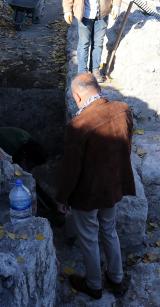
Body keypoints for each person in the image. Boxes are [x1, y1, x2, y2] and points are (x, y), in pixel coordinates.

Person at [55, 73, 135, 300]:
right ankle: (116, 280)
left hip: (87, 194)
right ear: (97, 90)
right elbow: (126, 146)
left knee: (89, 238)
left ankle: (94, 285)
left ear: (78, 96)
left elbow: (71, 169)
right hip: (112, 187)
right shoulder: (122, 109)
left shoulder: (79, 124)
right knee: (109, 230)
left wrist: (62, 198)